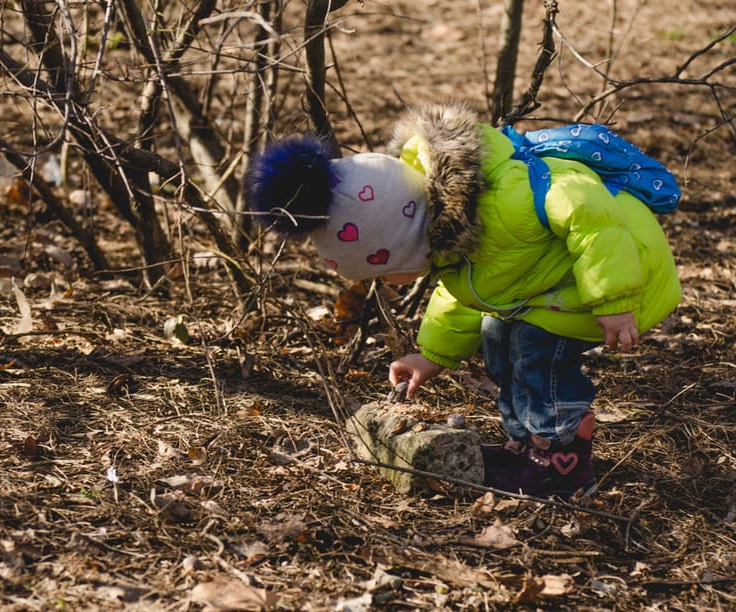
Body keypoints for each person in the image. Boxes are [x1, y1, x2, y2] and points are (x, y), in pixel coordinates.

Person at [245, 102, 681, 499]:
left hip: (625, 273)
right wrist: (431, 356)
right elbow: (468, 296)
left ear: (402, 240)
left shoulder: (507, 205)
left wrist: (614, 299)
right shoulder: (450, 237)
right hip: (556, 288)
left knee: (535, 348)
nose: (389, 283)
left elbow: (592, 216)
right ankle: (525, 447)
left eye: (384, 271)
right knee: (497, 331)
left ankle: (562, 462)